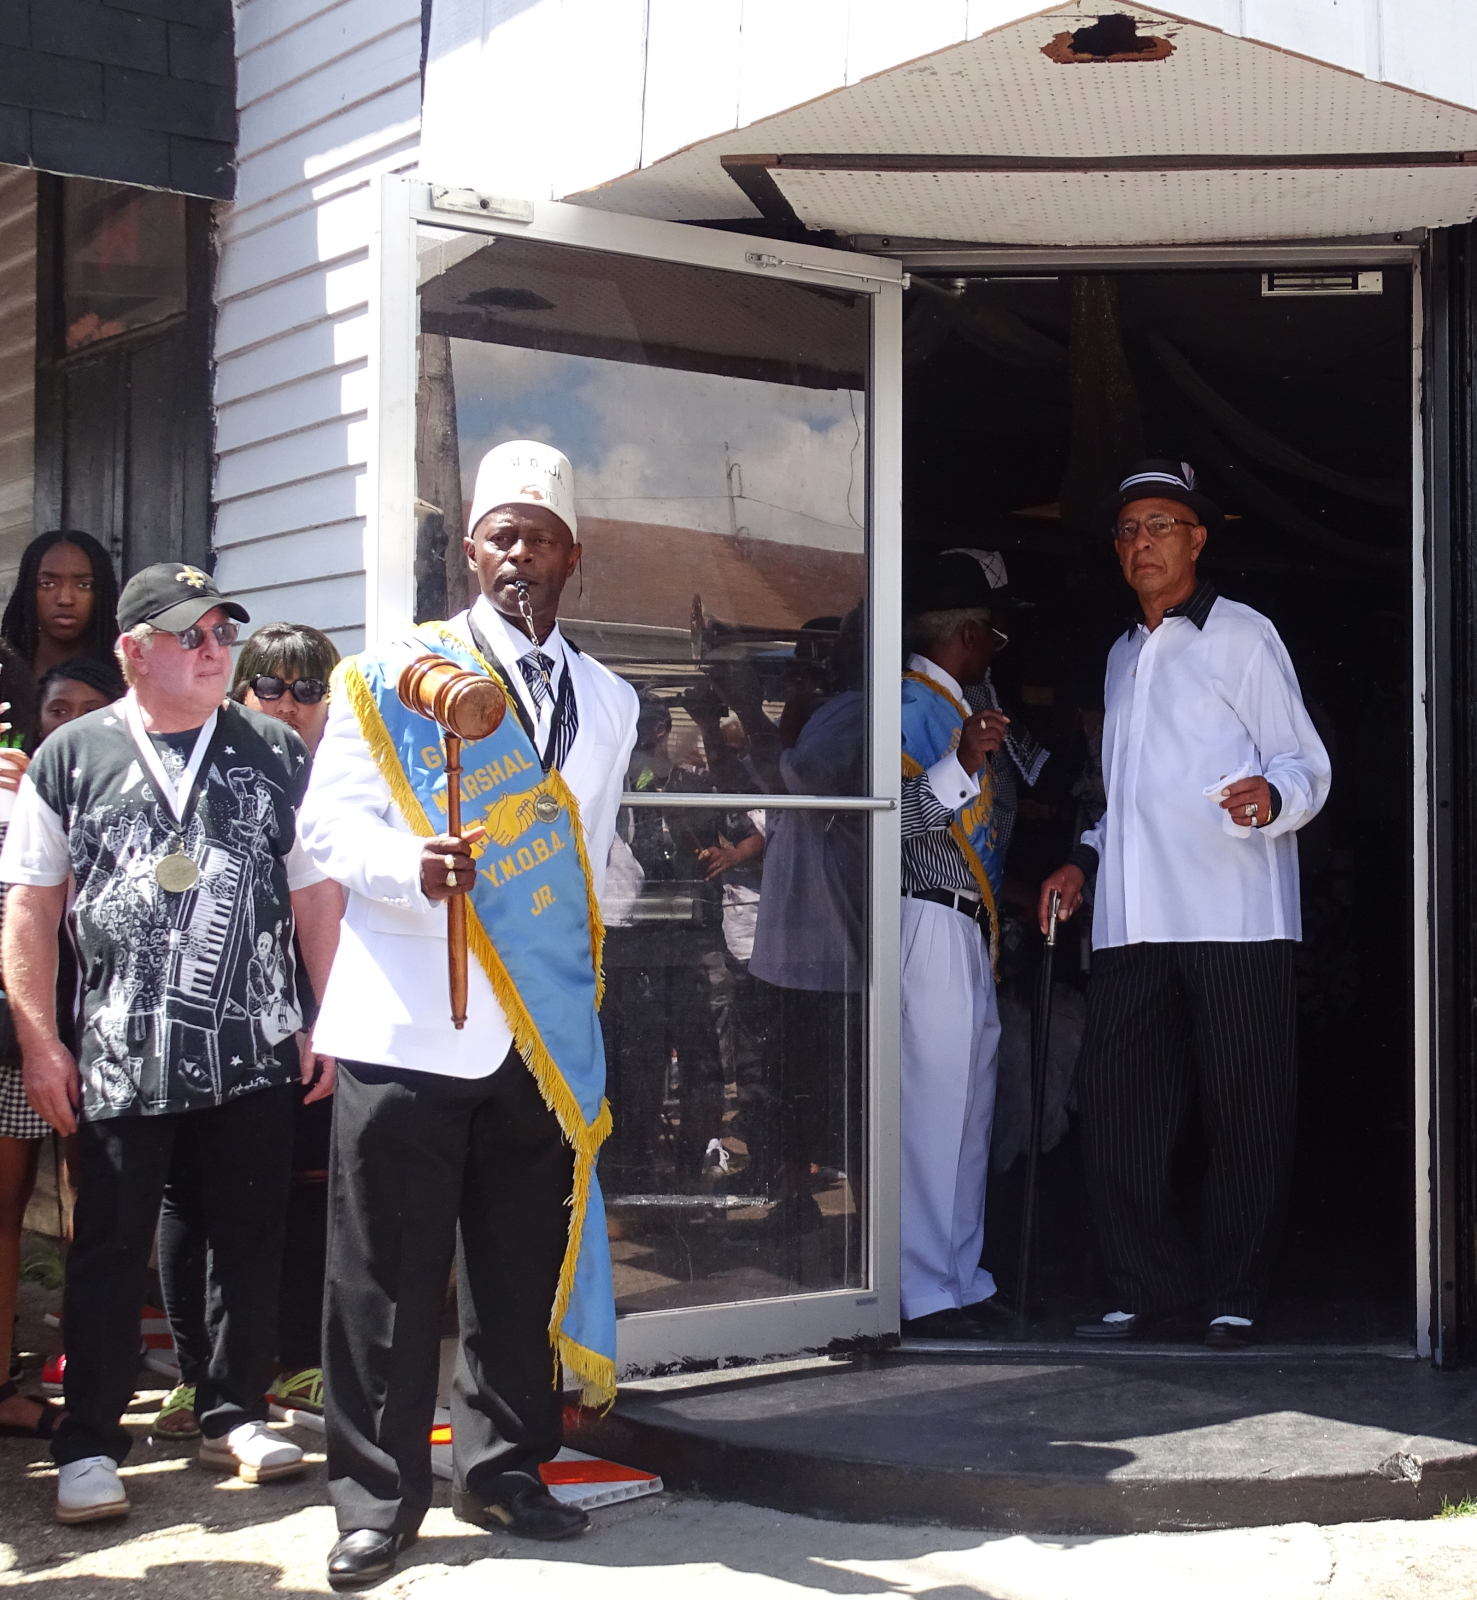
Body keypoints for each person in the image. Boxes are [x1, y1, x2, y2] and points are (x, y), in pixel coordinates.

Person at [298, 440, 639, 1589]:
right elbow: (327, 828)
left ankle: (502, 1470)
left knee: (516, 1262)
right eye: (501, 536)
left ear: (572, 557)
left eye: (540, 540)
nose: (518, 557)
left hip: (540, 1029)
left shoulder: (612, 699)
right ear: (472, 551)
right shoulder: (392, 674)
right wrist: (412, 868)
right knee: (386, 1277)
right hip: (409, 1019)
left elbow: (594, 853)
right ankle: (375, 1500)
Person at [0, 562, 343, 1524]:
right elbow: (30, 907)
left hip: (253, 1038)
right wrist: (40, 1041)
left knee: (248, 1234)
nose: (212, 650)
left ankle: (234, 1413)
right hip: (119, 1049)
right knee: (108, 1248)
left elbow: (312, 889)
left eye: (221, 633)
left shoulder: (272, 747)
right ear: (132, 650)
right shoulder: (72, 756)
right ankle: (89, 1442)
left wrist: (326, 1013)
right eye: (189, 635)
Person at [1038, 460, 1331, 1349]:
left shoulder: (1242, 635)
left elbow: (1303, 763)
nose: (1141, 544)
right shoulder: (1121, 656)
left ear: (1196, 539)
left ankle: (1233, 1292)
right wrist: (1082, 861)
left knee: (1245, 1111)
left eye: (1159, 526)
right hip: (1132, 922)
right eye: (1127, 531)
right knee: (1119, 1110)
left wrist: (1271, 798)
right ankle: (1148, 1289)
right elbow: (1119, 796)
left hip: (1232, 915)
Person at [154, 622, 341, 1441]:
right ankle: (198, 1377)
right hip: (210, 1015)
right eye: (270, 685)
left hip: (320, 1012)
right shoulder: (204, 769)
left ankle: (299, 1361)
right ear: (240, 692)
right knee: (193, 1195)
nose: (289, 703)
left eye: (308, 688)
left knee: (306, 1193)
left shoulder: (356, 778)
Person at [897, 554, 1012, 1338]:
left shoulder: (957, 703)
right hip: (924, 916)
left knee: (966, 1118)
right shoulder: (909, 706)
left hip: (966, 925)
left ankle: (960, 1278)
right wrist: (962, 762)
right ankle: (920, 1289)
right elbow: (892, 824)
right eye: (993, 634)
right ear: (969, 634)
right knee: (931, 1116)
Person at [1, 530, 121, 680]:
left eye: (84, 585)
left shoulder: (127, 677)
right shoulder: (4, 675)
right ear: (28, 589)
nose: (65, 600)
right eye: (47, 584)